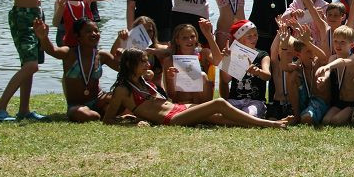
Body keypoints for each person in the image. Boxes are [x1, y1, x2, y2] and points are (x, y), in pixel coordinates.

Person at [104, 49, 291, 128]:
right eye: (142, 62)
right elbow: (108, 119)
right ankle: (270, 124)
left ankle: (257, 126)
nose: (147, 65)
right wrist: (130, 121)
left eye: (147, 61)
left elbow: (156, 102)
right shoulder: (123, 89)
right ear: (130, 65)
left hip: (178, 108)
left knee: (217, 118)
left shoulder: (143, 82)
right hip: (172, 118)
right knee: (218, 104)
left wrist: (133, 117)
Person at [33, 17, 120, 122]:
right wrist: (43, 37)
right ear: (77, 35)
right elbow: (53, 50)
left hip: (98, 99)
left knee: (124, 100)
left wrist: (122, 50)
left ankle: (105, 112)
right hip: (77, 105)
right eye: (88, 31)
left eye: (96, 31)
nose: (94, 34)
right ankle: (103, 114)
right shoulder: (69, 53)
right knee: (80, 114)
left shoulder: (102, 55)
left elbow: (122, 68)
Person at [219, 20, 270, 118]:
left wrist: (258, 71)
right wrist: (226, 60)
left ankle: (239, 118)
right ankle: (239, 118)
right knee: (220, 112)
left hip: (255, 101)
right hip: (235, 99)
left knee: (248, 113)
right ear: (238, 40)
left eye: (255, 35)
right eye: (249, 36)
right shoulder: (233, 55)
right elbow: (226, 79)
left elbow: (267, 76)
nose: (254, 38)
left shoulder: (262, 55)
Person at [163, 20, 223, 104]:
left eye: (192, 36)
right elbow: (171, 95)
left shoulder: (204, 53)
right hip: (182, 102)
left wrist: (208, 35)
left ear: (196, 38)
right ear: (177, 41)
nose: (190, 40)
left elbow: (220, 63)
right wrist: (170, 78)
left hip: (203, 102)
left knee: (202, 75)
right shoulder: (169, 61)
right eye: (185, 38)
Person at [315, 25, 354, 125]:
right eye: (335, 41)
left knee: (336, 121)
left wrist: (328, 66)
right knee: (326, 121)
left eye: (342, 42)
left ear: (352, 45)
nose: (338, 45)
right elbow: (327, 73)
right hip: (340, 102)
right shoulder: (332, 58)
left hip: (353, 102)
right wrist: (323, 78)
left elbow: (342, 61)